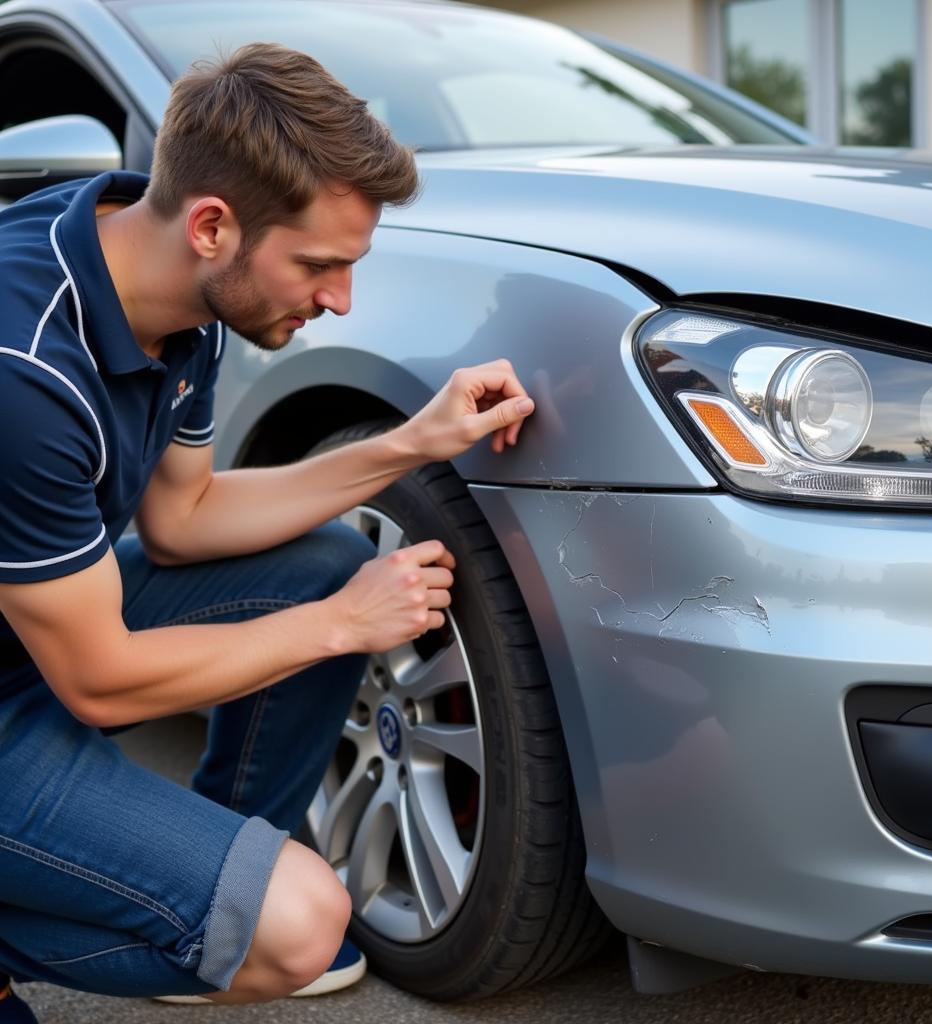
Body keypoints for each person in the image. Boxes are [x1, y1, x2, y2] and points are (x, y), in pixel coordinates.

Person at [0, 43, 534, 1021]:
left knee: (328, 564)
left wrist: (413, 442)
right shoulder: (22, 371)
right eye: (321, 266)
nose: (339, 301)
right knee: (296, 920)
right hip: (36, 682)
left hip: (32, 644)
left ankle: (189, 876)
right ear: (213, 225)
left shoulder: (165, 284)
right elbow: (99, 677)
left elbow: (184, 519)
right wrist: (343, 628)